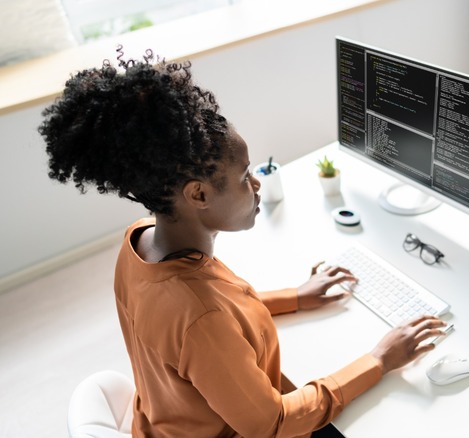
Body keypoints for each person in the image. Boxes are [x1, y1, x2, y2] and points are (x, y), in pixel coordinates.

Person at [39, 47, 446, 437]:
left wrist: (296, 296)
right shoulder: (197, 313)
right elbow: (271, 422)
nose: (256, 185)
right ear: (198, 195)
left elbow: (211, 326)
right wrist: (379, 358)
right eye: (244, 177)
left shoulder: (140, 240)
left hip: (164, 422)